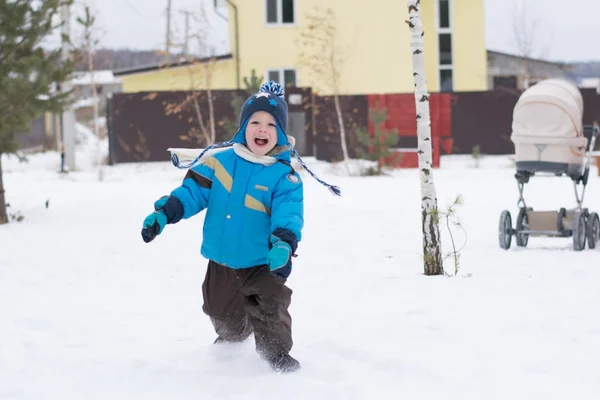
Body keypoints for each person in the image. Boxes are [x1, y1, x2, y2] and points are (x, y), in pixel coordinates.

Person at [140, 81, 340, 373]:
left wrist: (283, 243)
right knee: (221, 314)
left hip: (263, 260)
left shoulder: (284, 177)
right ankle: (235, 334)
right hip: (220, 258)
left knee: (270, 307)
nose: (262, 129)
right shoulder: (219, 162)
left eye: (271, 125)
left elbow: (289, 214)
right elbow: (193, 193)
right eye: (255, 122)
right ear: (243, 126)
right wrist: (166, 213)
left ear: (282, 133)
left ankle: (277, 355)